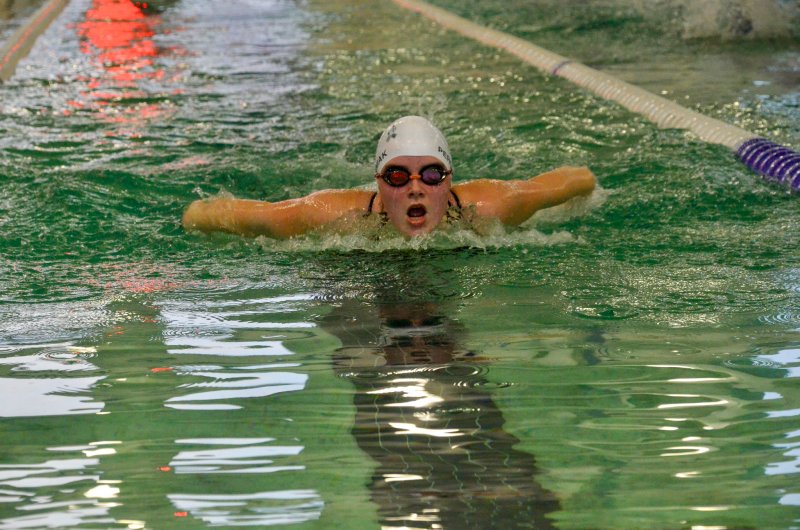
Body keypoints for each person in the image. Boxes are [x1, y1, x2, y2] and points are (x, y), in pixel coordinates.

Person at [182, 115, 597, 238]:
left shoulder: (489, 205)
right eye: (398, 176)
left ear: (449, 179)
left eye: (431, 175)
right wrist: (194, 217)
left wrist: (588, 188)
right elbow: (254, 215)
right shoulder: (331, 216)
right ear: (379, 184)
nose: (416, 186)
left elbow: (574, 179)